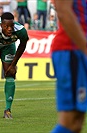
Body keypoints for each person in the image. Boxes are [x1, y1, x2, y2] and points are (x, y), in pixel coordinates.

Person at [51, 0, 87, 133]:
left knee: (77, 122)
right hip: (71, 49)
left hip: (79, 50)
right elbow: (63, 11)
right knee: (69, 121)